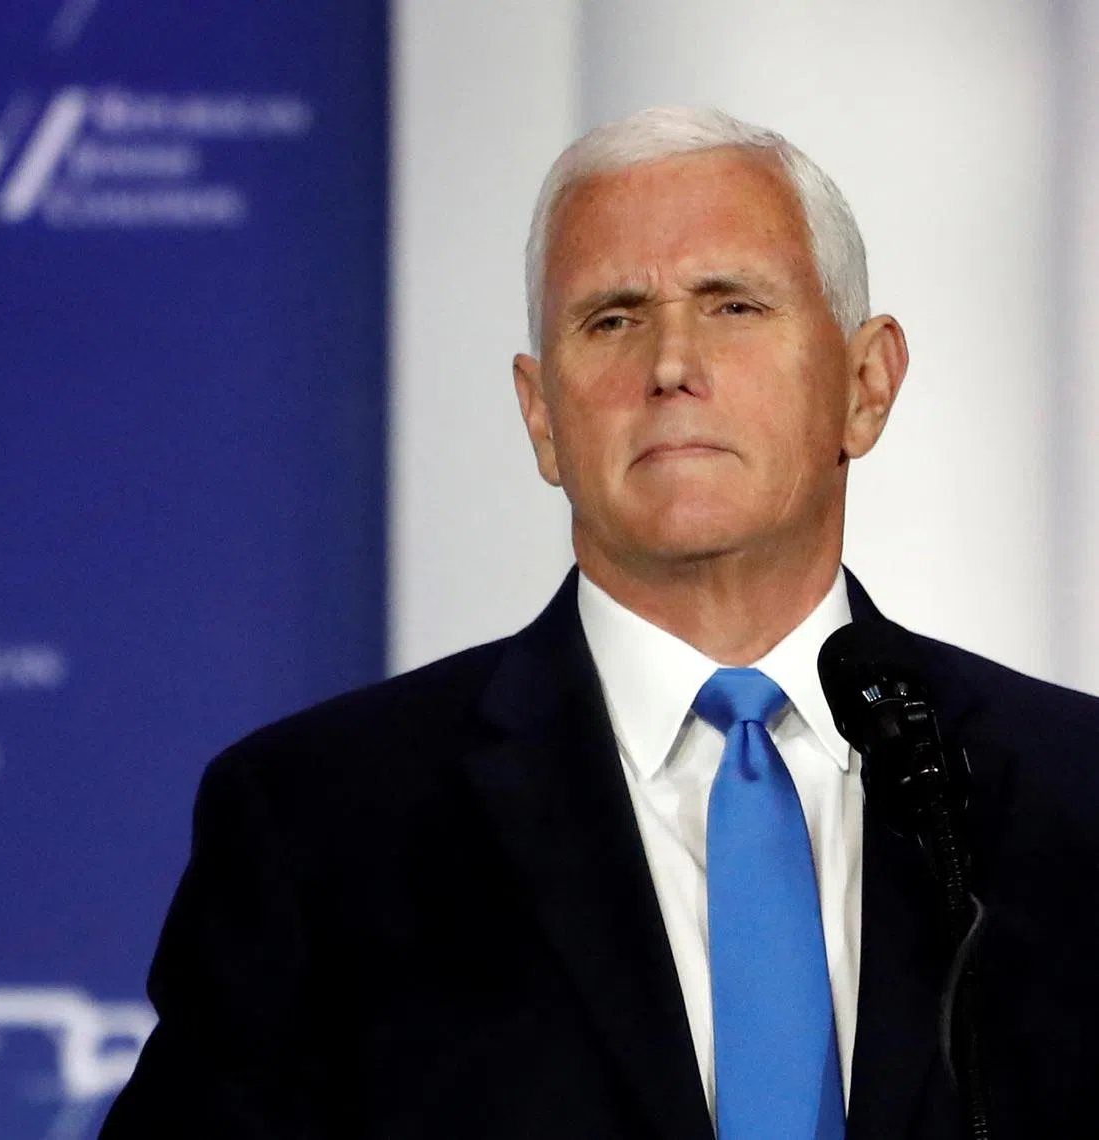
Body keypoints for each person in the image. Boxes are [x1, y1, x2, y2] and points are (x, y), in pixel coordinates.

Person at [100, 107, 1099, 1140]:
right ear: (542, 417)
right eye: (612, 318)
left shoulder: (1077, 797)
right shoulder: (322, 828)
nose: (671, 364)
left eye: (734, 306)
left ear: (865, 382)